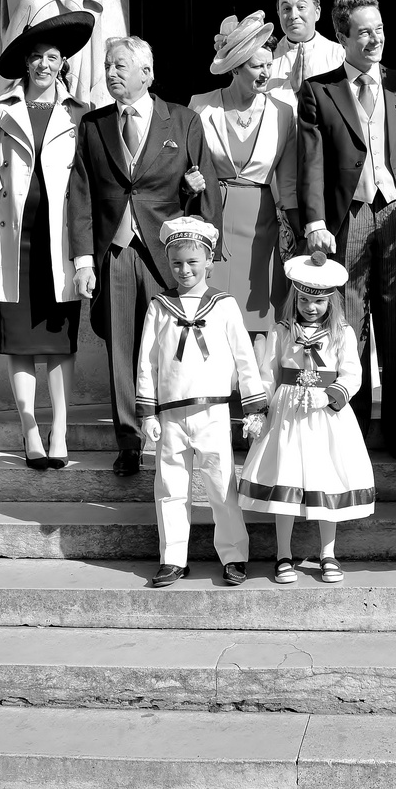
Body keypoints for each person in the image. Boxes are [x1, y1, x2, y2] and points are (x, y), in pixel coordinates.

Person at [71, 36, 219, 477]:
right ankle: (129, 440)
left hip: (168, 253)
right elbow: (79, 194)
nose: (111, 73)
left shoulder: (183, 120)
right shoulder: (93, 124)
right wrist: (83, 260)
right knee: (121, 350)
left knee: (171, 347)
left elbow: (206, 186)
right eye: (107, 66)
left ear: (147, 73)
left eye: (120, 65)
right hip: (115, 252)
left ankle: (174, 432)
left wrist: (202, 252)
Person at [298, 0, 396, 456]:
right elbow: (310, 163)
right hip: (346, 217)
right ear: (342, 37)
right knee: (349, 326)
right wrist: (315, 221)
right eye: (364, 32)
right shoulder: (319, 90)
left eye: (380, 29)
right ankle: (349, 434)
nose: (375, 39)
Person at [0, 11, 94, 470]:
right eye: (36, 58)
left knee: (58, 340)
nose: (45, 65)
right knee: (19, 340)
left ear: (63, 63)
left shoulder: (81, 114)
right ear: (25, 65)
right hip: (14, 238)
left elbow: (88, 181)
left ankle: (60, 427)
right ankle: (30, 428)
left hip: (60, 238)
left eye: (53, 58)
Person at [136, 217, 266, 587]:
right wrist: (147, 412)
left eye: (193, 262)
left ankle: (235, 556)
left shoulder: (223, 305)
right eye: (177, 263)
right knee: (170, 488)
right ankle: (173, 558)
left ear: (210, 261)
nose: (184, 270)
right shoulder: (160, 306)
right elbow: (147, 360)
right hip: (172, 414)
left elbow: (244, 356)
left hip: (213, 410)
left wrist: (254, 406)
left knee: (222, 486)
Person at [239, 253, 375, 584]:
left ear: (331, 302)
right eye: (303, 300)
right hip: (287, 416)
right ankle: (283, 555)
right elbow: (267, 374)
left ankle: (328, 554)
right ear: (295, 298)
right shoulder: (281, 330)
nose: (310, 307)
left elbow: (352, 373)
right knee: (284, 477)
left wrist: (331, 396)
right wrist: (259, 411)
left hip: (326, 417)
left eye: (318, 302)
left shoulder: (341, 332)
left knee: (327, 480)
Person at [189, 12, 299, 336]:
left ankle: (254, 387)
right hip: (213, 216)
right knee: (211, 310)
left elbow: (288, 182)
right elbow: (186, 164)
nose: (265, 73)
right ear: (236, 67)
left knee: (258, 312)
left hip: (260, 223)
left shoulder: (283, 113)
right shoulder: (201, 106)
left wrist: (296, 231)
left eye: (269, 65)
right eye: (256, 66)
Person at [268, 0, 345, 95]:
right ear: (279, 14)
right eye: (286, 9)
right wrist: (291, 89)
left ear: (317, 12)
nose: (293, 15)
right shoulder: (269, 57)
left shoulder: (339, 54)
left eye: (301, 7)